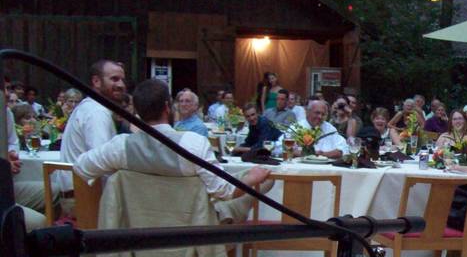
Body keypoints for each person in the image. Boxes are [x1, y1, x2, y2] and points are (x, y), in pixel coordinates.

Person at [74, 80, 272, 224]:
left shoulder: (119, 147)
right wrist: (253, 178)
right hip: (193, 228)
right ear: (168, 107)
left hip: (140, 229)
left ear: (137, 111)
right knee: (260, 183)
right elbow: (224, 191)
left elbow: (81, 167)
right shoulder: (193, 144)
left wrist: (118, 173)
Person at [59, 60, 126, 193]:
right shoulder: (97, 112)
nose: (121, 85)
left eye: (122, 80)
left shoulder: (90, 106)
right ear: (96, 81)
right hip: (83, 197)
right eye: (114, 79)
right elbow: (104, 163)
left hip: (77, 191)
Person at [5, 107, 46, 231]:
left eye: (8, 88)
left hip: (6, 187)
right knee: (39, 222)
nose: (6, 93)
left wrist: (10, 155)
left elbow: (13, 142)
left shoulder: (5, 111)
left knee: (52, 191)